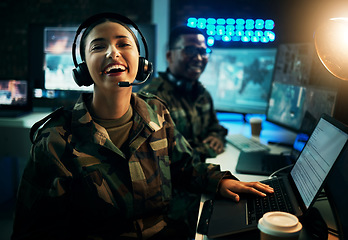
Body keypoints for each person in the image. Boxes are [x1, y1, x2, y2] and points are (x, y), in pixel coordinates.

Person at [11, 13, 273, 240]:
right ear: (83, 70)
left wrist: (219, 182)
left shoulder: (157, 112)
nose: (113, 53)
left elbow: (184, 166)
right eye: (98, 47)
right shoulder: (55, 139)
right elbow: (35, 231)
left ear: (141, 62)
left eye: (123, 44)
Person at [139, 26, 227, 162]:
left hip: (202, 172)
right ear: (169, 56)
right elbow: (166, 154)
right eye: (190, 50)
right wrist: (207, 149)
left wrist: (217, 137)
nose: (198, 58)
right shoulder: (151, 98)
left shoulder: (202, 94)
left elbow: (215, 127)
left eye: (203, 51)